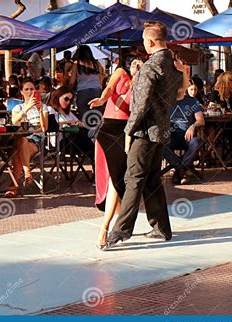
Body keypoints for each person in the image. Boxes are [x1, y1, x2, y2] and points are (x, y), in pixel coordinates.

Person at [104, 21, 184, 250]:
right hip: (162, 130)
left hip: (145, 131)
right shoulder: (173, 67)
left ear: (149, 42)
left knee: (134, 179)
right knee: (151, 179)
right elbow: (177, 95)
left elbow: (140, 105)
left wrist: (128, 130)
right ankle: (161, 228)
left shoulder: (150, 68)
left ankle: (120, 231)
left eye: (143, 42)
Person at [88, 57, 143, 249]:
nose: (137, 63)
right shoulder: (120, 73)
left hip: (125, 131)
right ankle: (106, 227)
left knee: (118, 180)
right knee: (113, 179)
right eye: (134, 61)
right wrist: (102, 99)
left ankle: (119, 223)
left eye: (140, 62)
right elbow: (109, 88)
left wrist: (138, 79)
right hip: (108, 129)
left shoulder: (140, 84)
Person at [6, 78, 49, 197]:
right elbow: (14, 121)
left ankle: (14, 186)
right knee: (21, 142)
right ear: (21, 92)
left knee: (17, 151)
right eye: (27, 89)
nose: (30, 92)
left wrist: (40, 110)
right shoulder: (18, 108)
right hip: (21, 138)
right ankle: (27, 172)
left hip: (37, 140)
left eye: (32, 89)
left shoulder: (44, 107)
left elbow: (44, 128)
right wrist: (27, 108)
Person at [164, 81, 205, 185]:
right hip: (171, 136)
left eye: (181, 86)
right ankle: (181, 170)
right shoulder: (167, 101)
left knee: (197, 142)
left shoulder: (192, 101)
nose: (178, 89)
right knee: (159, 144)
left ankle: (179, 170)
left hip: (188, 136)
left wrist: (192, 126)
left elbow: (201, 120)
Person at [50, 85, 94, 164]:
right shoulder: (51, 110)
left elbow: (78, 123)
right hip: (61, 141)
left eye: (70, 100)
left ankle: (96, 171)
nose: (68, 102)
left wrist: (79, 124)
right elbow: (51, 126)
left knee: (92, 145)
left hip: (73, 140)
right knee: (91, 143)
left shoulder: (68, 113)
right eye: (66, 99)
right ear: (58, 96)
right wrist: (67, 122)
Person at [69, 45, 104, 123]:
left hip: (83, 92)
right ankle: (95, 133)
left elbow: (72, 82)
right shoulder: (96, 64)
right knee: (97, 117)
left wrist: (70, 90)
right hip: (97, 91)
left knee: (84, 118)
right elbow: (100, 78)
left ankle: (86, 133)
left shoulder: (77, 63)